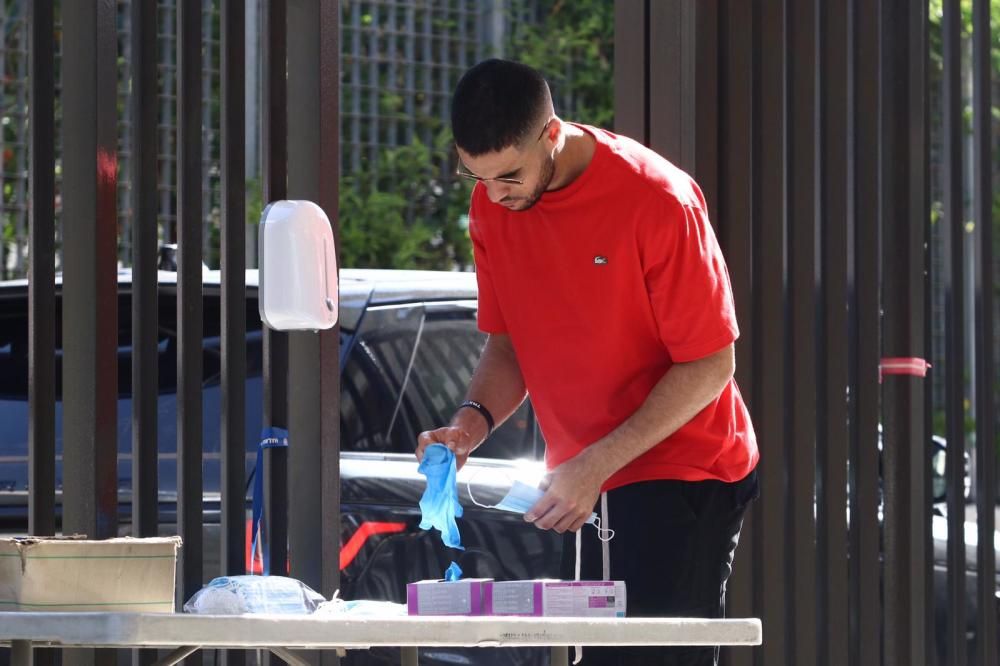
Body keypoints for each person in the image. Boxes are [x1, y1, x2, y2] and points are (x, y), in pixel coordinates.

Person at [415, 58, 760, 666]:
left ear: (552, 134)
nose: (494, 196)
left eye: (510, 177)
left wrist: (595, 463)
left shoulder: (656, 199)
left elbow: (711, 364)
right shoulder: (492, 206)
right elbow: (509, 343)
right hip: (585, 479)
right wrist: (471, 421)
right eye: (477, 177)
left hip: (686, 467)